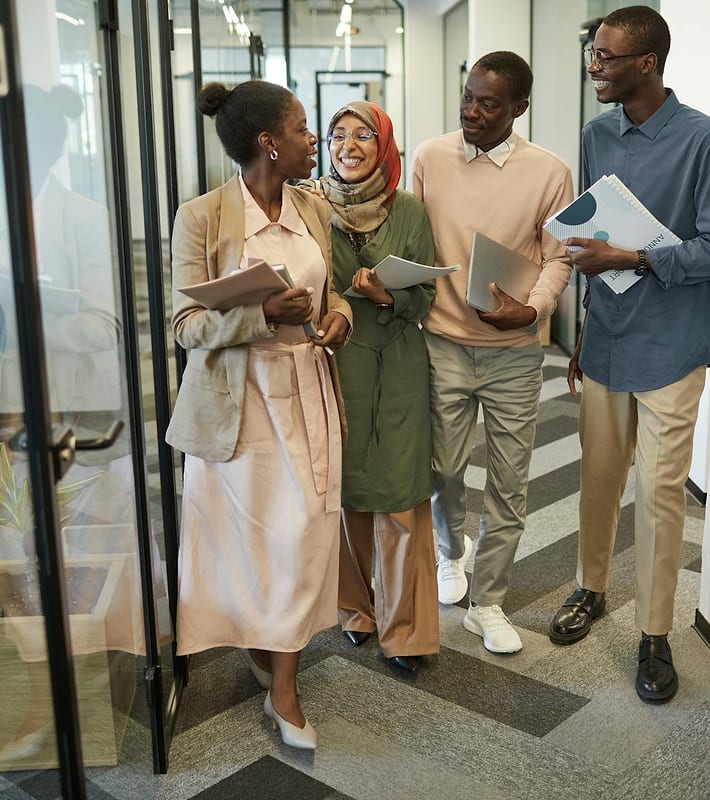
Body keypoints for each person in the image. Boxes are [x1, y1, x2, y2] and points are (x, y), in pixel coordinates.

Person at [547, 6, 710, 705]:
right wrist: (583, 328)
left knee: (660, 495)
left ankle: (655, 633)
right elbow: (590, 237)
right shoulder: (595, 135)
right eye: (592, 54)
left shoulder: (705, 141)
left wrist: (631, 255)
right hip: (609, 337)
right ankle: (591, 587)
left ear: (648, 62)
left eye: (605, 56)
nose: (593, 66)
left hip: (673, 344)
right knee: (599, 479)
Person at [166, 80, 352, 750]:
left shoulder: (315, 209)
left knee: (303, 531)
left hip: (308, 387)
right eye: (303, 129)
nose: (315, 141)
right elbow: (186, 325)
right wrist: (260, 314)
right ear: (269, 143)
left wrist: (338, 319)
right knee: (250, 541)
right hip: (236, 405)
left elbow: (335, 295)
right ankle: (263, 645)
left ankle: (285, 683)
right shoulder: (205, 216)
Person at [412, 51, 574, 654]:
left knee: (510, 482)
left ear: (519, 108)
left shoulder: (550, 172)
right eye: (468, 96)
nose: (471, 111)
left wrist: (531, 311)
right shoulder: (429, 158)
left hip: (514, 352)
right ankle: (452, 550)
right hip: (442, 342)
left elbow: (559, 257)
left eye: (488, 103)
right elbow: (412, 235)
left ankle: (489, 603)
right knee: (443, 469)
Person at [320, 101, 440, 674]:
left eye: (362, 135)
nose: (348, 145)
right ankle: (355, 610)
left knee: (399, 495)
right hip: (336, 364)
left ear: (383, 144)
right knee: (347, 494)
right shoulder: (310, 207)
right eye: (336, 134)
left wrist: (389, 296)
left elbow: (427, 294)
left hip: (397, 363)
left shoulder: (410, 209)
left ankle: (408, 631)